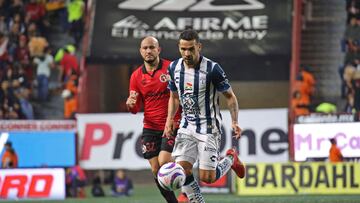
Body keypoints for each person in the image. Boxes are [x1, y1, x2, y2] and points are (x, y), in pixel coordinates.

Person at [165, 29, 246, 203]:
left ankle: (231, 159)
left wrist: (235, 121)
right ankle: (197, 201)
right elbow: (174, 97)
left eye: (191, 49)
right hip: (187, 126)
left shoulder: (212, 69)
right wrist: (169, 120)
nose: (187, 53)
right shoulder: (173, 68)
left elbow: (230, 97)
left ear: (199, 47)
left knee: (208, 177)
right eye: (183, 49)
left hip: (208, 127)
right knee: (182, 169)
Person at [126, 36, 181, 203]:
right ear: (140, 51)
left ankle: (186, 187)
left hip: (171, 123)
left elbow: (179, 96)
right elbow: (134, 109)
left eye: (151, 47)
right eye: (145, 48)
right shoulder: (136, 76)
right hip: (150, 126)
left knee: (164, 161)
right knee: (156, 169)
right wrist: (130, 104)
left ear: (159, 50)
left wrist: (172, 120)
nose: (148, 51)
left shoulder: (171, 68)